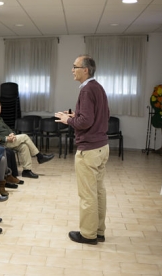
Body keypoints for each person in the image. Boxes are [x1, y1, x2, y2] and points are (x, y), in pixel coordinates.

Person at [54, 54, 110, 245]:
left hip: (90, 149)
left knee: (87, 194)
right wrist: (74, 115)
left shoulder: (86, 90)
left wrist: (68, 120)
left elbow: (85, 122)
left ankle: (88, 234)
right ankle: (99, 231)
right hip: (102, 146)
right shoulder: (98, 88)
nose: (72, 70)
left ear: (85, 70)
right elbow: (94, 116)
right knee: (99, 192)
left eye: (75, 66)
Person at [0, 99, 54, 179]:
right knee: (25, 136)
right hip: (2, 143)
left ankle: (27, 171)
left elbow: (7, 128)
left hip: (10, 139)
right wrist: (6, 138)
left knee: (24, 146)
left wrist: (12, 133)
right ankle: (39, 156)